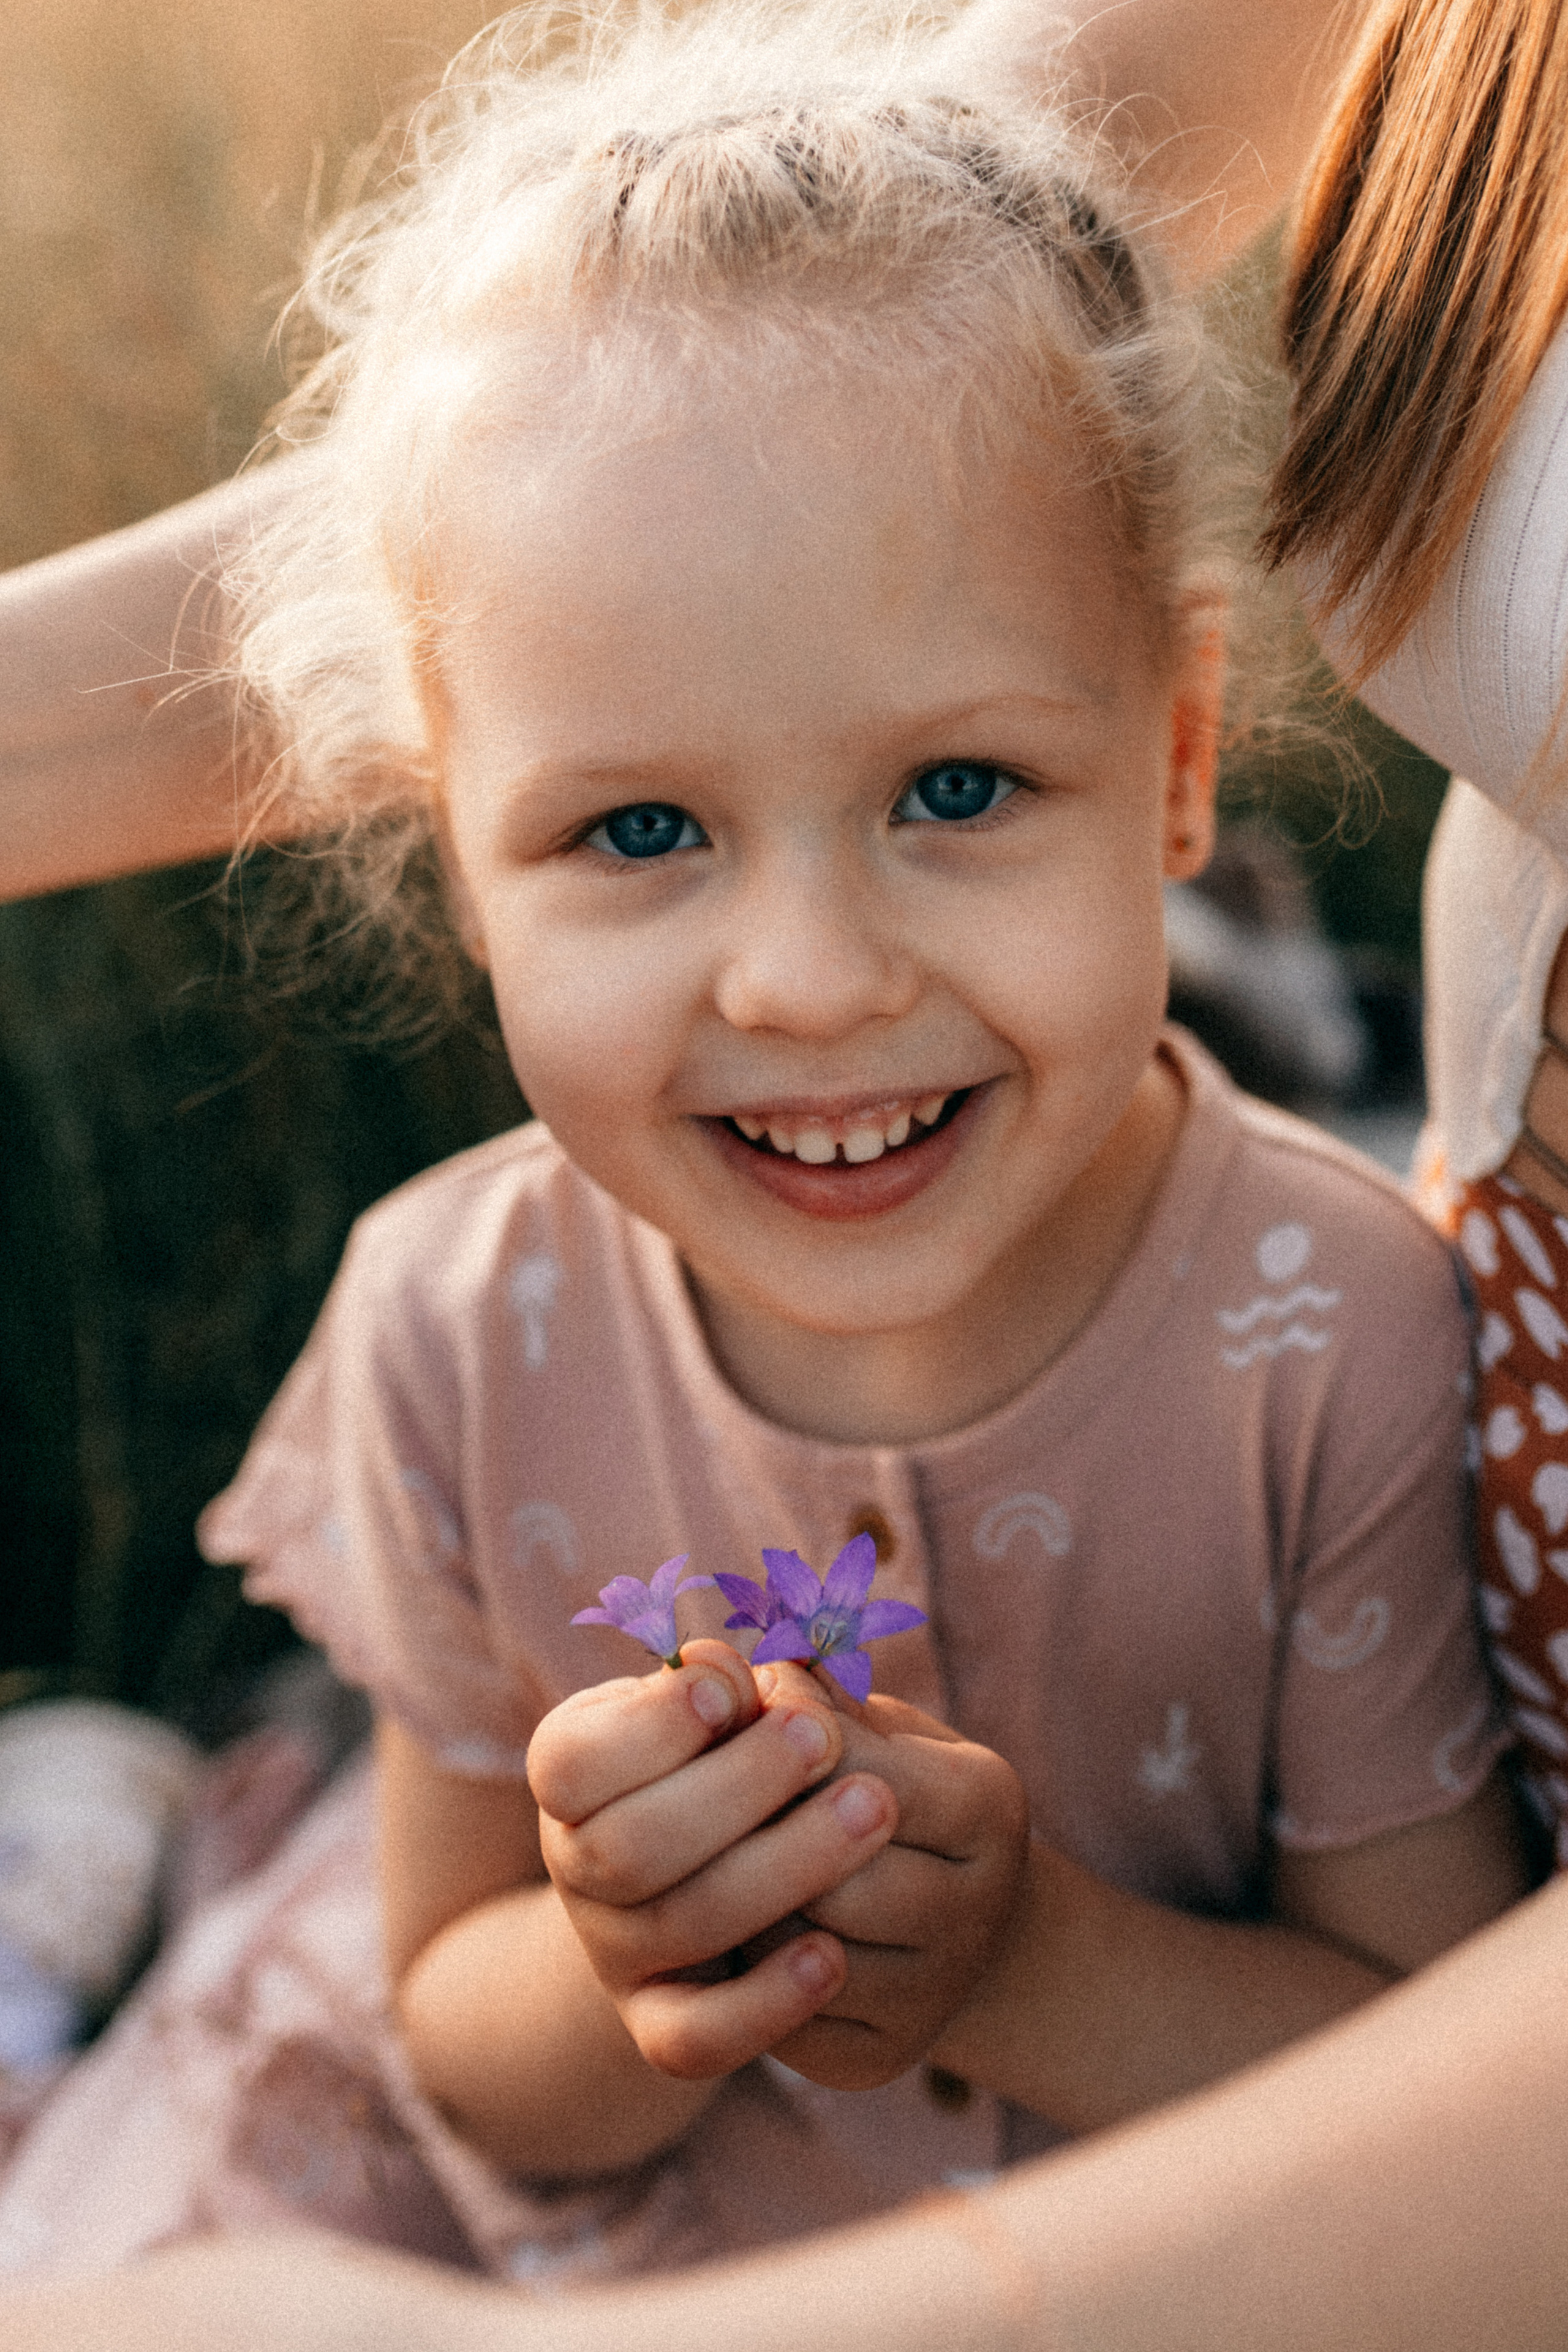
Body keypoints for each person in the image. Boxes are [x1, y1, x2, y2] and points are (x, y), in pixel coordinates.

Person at [5, 0, 1568, 2345]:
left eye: (957, 788)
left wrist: (1025, 1963)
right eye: (639, 829)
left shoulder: (1330, 1334)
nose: (815, 982)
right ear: (461, 859)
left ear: (1176, 764)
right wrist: (625, 1952)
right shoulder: (459, 1323)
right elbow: (471, 2048)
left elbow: (1414, 2076)